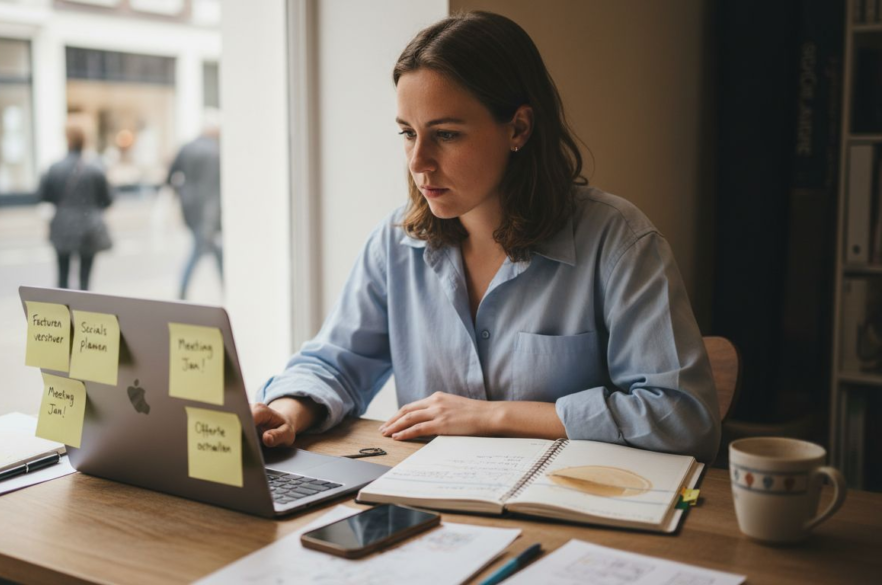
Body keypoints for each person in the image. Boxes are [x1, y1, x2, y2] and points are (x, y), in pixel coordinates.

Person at [252, 11, 721, 463]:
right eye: (408, 133)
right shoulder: (394, 245)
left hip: (573, 504)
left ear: (518, 128)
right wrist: (286, 414)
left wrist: (494, 416)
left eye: (446, 135)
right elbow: (335, 364)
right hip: (431, 503)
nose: (418, 162)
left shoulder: (618, 242)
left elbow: (684, 418)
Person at [38, 123, 113, 290]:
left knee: (62, 278)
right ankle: (84, 307)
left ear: (67, 140)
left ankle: (63, 307)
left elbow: (44, 196)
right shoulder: (95, 168)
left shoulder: (55, 168)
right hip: (89, 227)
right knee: (85, 281)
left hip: (62, 226)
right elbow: (108, 199)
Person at [167, 126, 222, 299]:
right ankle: (183, 290)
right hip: (207, 211)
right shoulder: (215, 151)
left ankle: (225, 285)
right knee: (200, 249)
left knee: (212, 250)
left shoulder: (186, 148)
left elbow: (170, 176)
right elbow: (213, 189)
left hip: (189, 208)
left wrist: (180, 192)